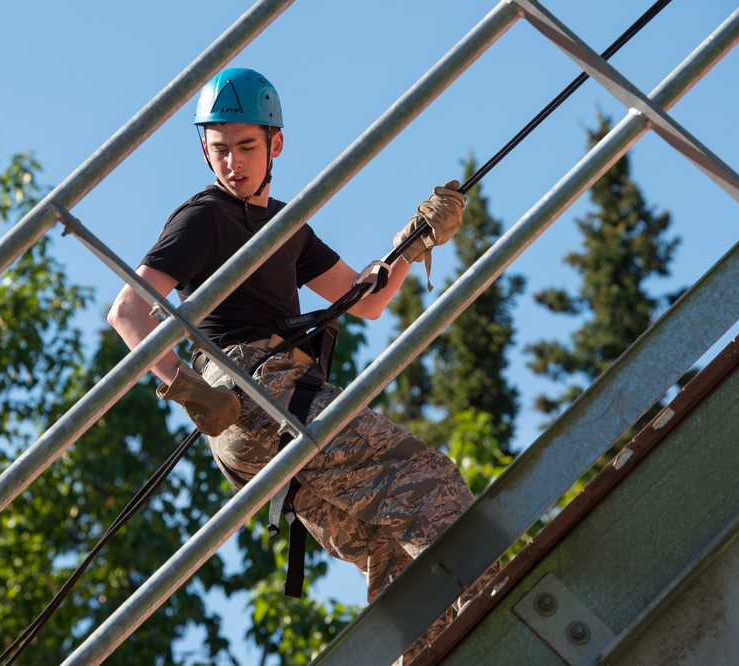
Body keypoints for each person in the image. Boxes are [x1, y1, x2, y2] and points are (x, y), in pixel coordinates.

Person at [108, 67, 494, 664]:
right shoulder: (204, 216)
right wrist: (183, 387)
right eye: (219, 150)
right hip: (255, 392)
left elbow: (364, 299)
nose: (232, 163)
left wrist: (416, 240)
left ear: (274, 145)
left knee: (387, 549)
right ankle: (506, 595)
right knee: (429, 483)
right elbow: (128, 310)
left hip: (266, 416)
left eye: (246, 147)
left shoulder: (287, 225)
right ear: (202, 151)